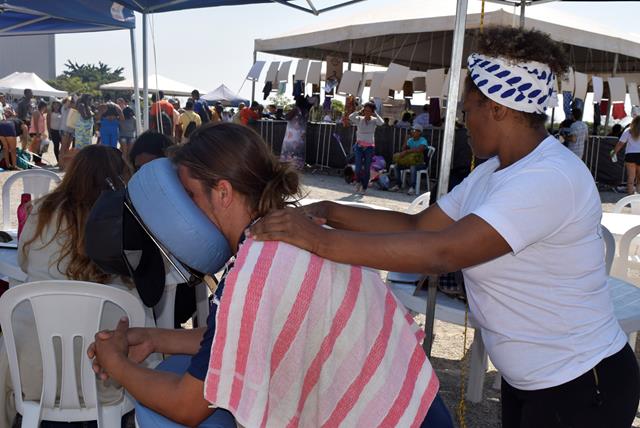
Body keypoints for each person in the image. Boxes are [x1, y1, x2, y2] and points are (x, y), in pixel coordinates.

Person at [251, 26, 640, 428]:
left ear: (497, 108)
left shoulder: (548, 177)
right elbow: (418, 224)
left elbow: (442, 252)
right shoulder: (492, 171)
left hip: (580, 384)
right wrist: (329, 211)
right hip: (531, 380)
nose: (463, 121)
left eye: (468, 109)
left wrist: (316, 240)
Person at [87, 123, 452, 428]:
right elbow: (242, 336)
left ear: (223, 192)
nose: (184, 208)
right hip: (416, 406)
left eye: (190, 194)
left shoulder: (254, 270)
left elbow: (188, 406)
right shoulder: (289, 231)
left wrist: (116, 363)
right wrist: (154, 338)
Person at [0, 145, 155, 427]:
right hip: (108, 369)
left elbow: (24, 263)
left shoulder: (42, 211)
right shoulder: (125, 220)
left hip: (35, 367)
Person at [349, 102, 384, 193]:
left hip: (369, 148)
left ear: (372, 112)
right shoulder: (359, 119)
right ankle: (358, 182)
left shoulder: (374, 120)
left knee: (367, 168)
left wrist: (375, 114)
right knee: (358, 167)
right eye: (365, 110)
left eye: (369, 111)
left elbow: (381, 122)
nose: (367, 112)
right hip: (359, 146)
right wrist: (359, 111)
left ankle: (364, 187)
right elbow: (350, 117)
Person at [390, 124, 430, 195]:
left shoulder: (423, 140)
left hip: (421, 163)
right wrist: (405, 140)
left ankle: (412, 187)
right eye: (411, 130)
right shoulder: (410, 140)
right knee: (396, 166)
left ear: (419, 132)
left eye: (414, 130)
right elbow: (403, 150)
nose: (412, 132)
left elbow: (419, 150)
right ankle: (398, 185)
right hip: (410, 161)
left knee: (413, 167)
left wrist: (407, 151)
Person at [612, 116, 640, 194]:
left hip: (630, 155)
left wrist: (614, 152)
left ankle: (630, 196)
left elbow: (620, 143)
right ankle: (638, 197)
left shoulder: (629, 130)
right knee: (639, 178)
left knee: (631, 177)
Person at [28, 100, 48, 165]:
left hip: (40, 132)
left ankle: (39, 160)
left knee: (41, 147)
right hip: (35, 132)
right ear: (43, 106)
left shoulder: (41, 113)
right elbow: (35, 123)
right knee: (36, 147)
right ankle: (37, 161)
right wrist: (37, 134)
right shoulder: (36, 112)